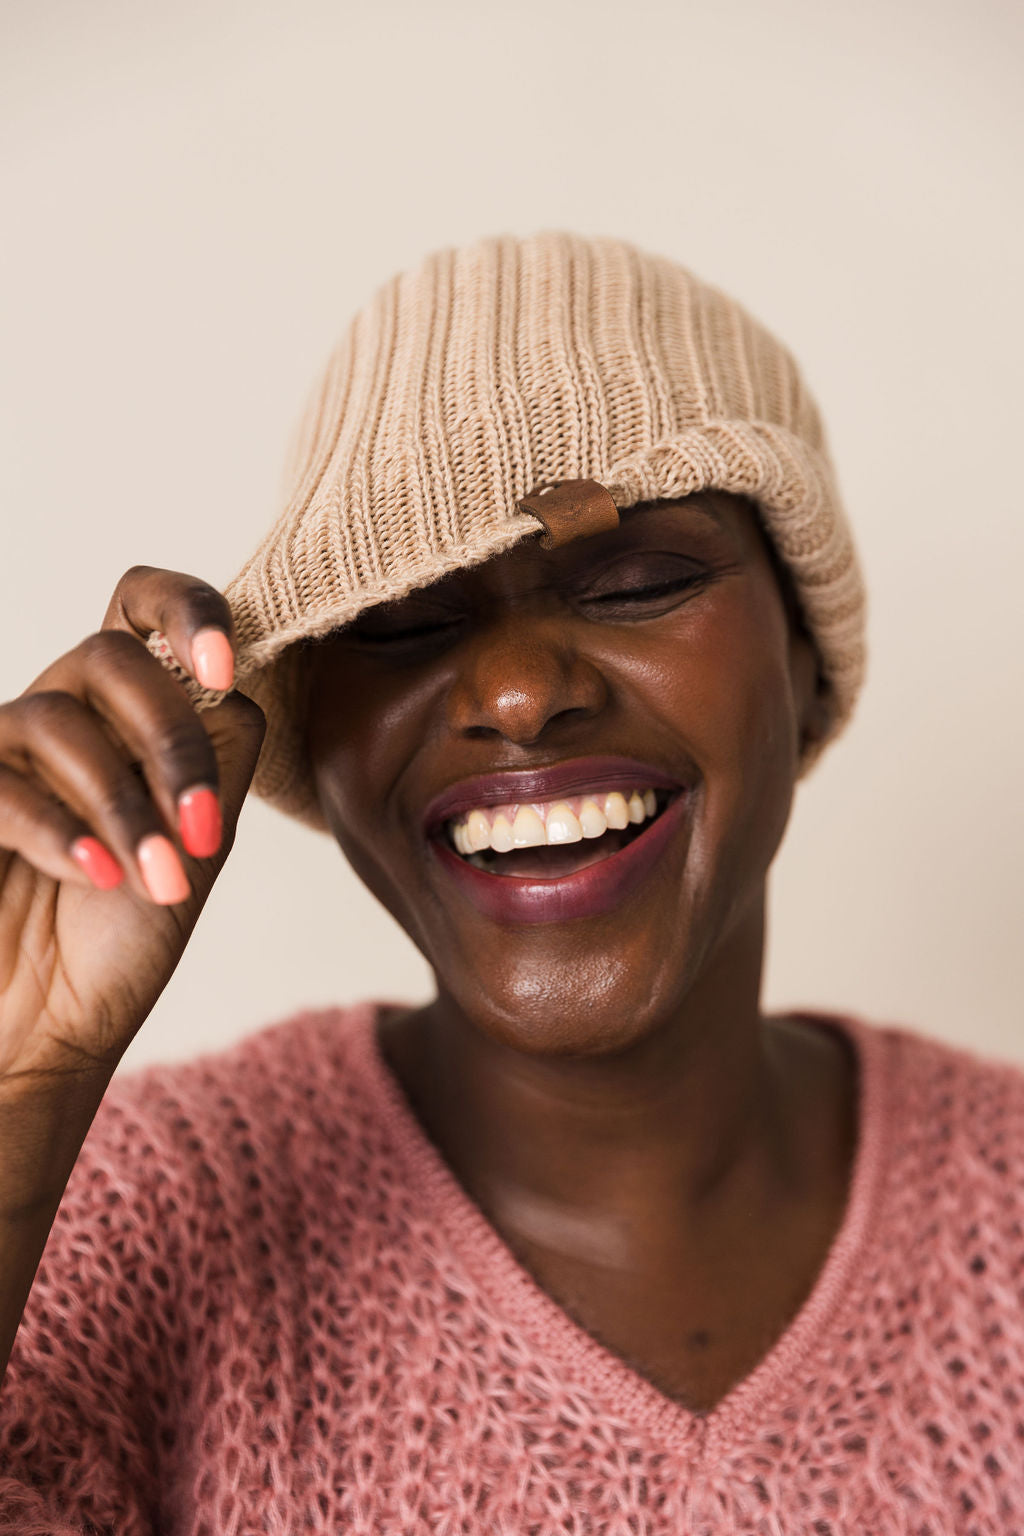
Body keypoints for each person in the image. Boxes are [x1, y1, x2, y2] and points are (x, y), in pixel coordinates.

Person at [0, 232, 1020, 1533]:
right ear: (317, 729)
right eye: (406, 622)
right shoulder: (128, 1212)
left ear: (808, 652)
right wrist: (17, 1084)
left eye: (641, 582)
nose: (521, 691)